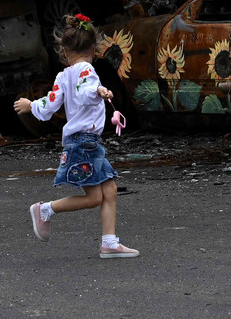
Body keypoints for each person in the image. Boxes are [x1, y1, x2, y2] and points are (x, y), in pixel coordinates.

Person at [13, 13, 138, 259]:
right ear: (94, 48)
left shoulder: (62, 76)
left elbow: (50, 106)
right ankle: (45, 209)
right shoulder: (87, 70)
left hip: (83, 142)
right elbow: (85, 92)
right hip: (85, 142)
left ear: (64, 50)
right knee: (94, 197)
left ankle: (109, 242)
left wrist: (31, 105)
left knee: (109, 190)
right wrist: (98, 90)